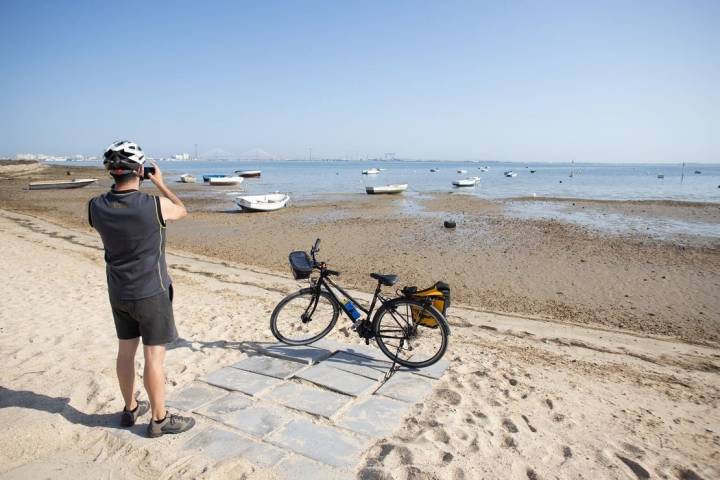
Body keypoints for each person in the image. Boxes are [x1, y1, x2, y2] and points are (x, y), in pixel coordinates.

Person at [88, 140, 195, 438]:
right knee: (153, 357)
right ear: (140, 169)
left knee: (125, 351)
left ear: (112, 172)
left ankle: (130, 407)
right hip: (151, 291)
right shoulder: (153, 206)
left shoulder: (95, 207)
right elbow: (182, 210)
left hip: (118, 292)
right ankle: (159, 419)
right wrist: (160, 183)